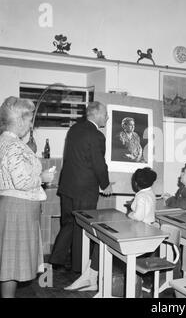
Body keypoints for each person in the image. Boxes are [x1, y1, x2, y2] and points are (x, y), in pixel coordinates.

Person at [0, 96, 56, 298]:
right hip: (18, 209)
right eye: (30, 119)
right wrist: (43, 177)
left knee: (9, 263)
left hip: (13, 206)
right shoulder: (13, 145)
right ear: (20, 120)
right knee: (12, 264)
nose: (31, 123)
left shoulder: (6, 141)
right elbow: (22, 182)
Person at [49, 101, 113, 274]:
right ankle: (79, 267)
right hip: (84, 190)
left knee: (68, 223)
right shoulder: (97, 136)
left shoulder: (74, 129)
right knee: (82, 227)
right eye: (105, 113)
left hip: (67, 186)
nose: (107, 117)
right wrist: (105, 185)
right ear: (96, 114)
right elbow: (99, 164)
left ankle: (56, 260)